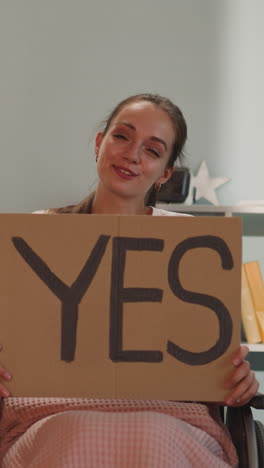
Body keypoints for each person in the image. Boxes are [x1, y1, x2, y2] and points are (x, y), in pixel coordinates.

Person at [0, 93, 259, 467]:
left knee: (152, 433)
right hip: (48, 416)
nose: (132, 155)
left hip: (172, 422)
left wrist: (235, 379)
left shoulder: (192, 243)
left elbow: (209, 357)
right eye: (121, 137)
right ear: (98, 143)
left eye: (152, 150)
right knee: (77, 429)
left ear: (165, 172)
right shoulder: (35, 233)